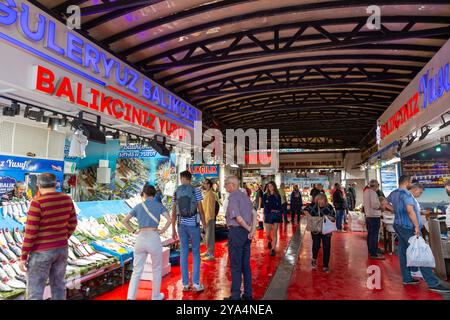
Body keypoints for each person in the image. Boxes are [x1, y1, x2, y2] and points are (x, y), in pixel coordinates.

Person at [19, 173, 77, 300]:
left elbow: (31, 232)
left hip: (41, 252)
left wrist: (23, 256)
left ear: (38, 185)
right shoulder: (67, 199)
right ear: (56, 184)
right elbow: (73, 223)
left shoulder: (37, 202)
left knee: (35, 291)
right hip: (62, 249)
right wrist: (62, 237)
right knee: (59, 285)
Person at [387, 177, 450, 292]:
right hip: (409, 227)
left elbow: (384, 203)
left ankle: (407, 278)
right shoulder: (406, 195)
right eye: (411, 182)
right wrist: (416, 226)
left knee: (403, 253)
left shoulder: (394, 193)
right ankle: (433, 283)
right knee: (421, 254)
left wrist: (395, 210)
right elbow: (410, 211)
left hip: (399, 226)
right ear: (406, 183)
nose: (412, 184)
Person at [123, 184, 171, 300]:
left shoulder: (138, 206)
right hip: (154, 237)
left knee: (136, 271)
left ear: (144, 194)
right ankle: (155, 296)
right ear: (154, 195)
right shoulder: (159, 206)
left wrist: (134, 231)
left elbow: (124, 221)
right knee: (156, 268)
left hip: (140, 238)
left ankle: (130, 297)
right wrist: (162, 231)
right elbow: (169, 220)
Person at [171, 170, 207, 292]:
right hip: (193, 226)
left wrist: (173, 229)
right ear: (190, 179)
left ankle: (185, 284)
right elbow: (201, 210)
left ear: (182, 178)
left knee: (183, 253)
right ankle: (196, 284)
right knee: (196, 253)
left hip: (181, 225)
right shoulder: (196, 190)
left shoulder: (176, 191)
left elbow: (174, 211)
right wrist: (205, 226)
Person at [223, 176, 257, 300]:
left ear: (232, 185)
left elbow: (238, 218)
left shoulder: (233, 198)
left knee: (236, 265)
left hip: (237, 232)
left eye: (226, 184)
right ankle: (248, 294)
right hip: (246, 235)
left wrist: (249, 229)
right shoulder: (245, 197)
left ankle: (235, 296)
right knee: (245, 265)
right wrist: (252, 230)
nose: (225, 186)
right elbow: (254, 214)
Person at [304, 193, 336, 273]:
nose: (321, 203)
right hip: (316, 229)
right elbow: (305, 210)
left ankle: (325, 265)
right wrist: (309, 216)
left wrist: (329, 217)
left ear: (325, 201)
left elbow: (333, 218)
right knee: (316, 245)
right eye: (319, 201)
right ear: (317, 200)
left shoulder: (329, 207)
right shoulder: (313, 206)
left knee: (327, 246)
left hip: (326, 229)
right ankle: (314, 258)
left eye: (323, 202)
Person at [363, 180, 385, 260]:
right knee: (374, 235)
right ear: (376, 185)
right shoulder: (372, 193)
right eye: (378, 185)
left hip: (368, 215)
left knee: (370, 234)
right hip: (374, 216)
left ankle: (371, 250)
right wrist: (381, 207)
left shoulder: (366, 192)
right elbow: (374, 205)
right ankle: (373, 253)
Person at [263, 181, 282, 256]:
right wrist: (271, 209)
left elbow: (279, 206)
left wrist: (276, 210)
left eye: (271, 186)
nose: (270, 187)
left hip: (276, 215)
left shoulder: (277, 195)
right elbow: (265, 206)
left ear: (274, 186)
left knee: (274, 232)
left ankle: (273, 249)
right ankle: (270, 241)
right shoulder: (265, 196)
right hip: (268, 215)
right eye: (268, 186)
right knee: (267, 234)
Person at [201, 179, 216, 261]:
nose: (204, 185)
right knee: (206, 236)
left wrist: (207, 219)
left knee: (209, 236)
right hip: (205, 218)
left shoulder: (210, 194)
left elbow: (209, 209)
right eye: (203, 183)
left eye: (206, 183)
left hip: (208, 218)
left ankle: (211, 254)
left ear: (209, 185)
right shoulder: (206, 193)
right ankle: (208, 251)